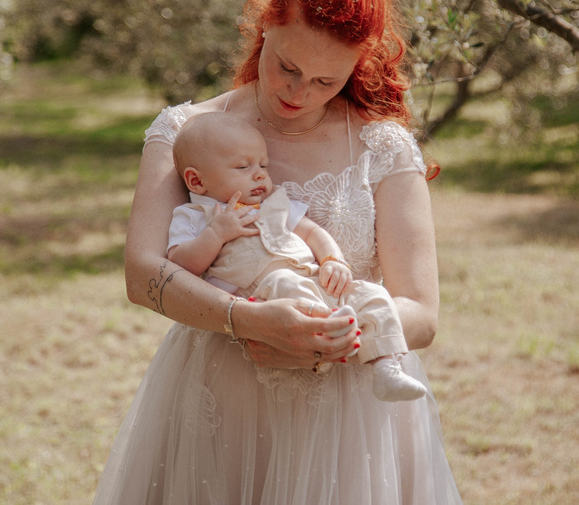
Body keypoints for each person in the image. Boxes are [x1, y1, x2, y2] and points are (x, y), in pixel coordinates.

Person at [93, 0, 462, 504]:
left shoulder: (383, 146)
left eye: (325, 81)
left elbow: (423, 314)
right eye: (288, 67)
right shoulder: (186, 131)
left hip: (350, 422)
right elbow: (143, 275)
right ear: (265, 25)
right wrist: (247, 320)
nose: (299, 91)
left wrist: (329, 343)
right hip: (221, 408)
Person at [167, 111, 428, 402]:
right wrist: (215, 234)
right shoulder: (195, 216)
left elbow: (312, 232)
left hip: (312, 279)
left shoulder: (275, 203)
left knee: (371, 294)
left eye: (263, 165)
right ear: (196, 181)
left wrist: (333, 260)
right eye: (243, 166)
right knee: (284, 282)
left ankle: (386, 365)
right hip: (265, 298)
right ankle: (327, 333)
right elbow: (179, 267)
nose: (260, 174)